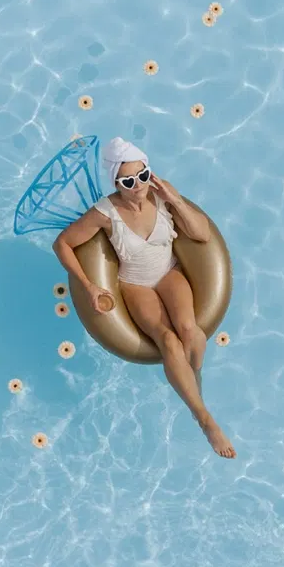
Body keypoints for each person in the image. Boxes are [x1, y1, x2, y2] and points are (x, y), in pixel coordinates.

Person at [53, 137, 236, 459]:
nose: (137, 185)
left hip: (170, 273)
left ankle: (194, 378)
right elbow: (62, 244)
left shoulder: (161, 196)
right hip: (135, 284)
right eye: (127, 181)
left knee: (190, 330)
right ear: (116, 183)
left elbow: (201, 234)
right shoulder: (105, 213)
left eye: (142, 175)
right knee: (168, 340)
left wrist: (173, 199)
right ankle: (205, 420)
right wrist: (88, 285)